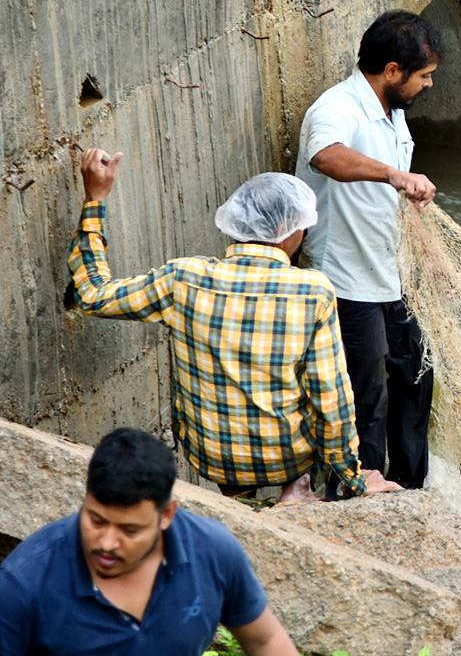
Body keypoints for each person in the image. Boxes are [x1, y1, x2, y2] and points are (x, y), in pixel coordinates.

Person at [67, 152, 398, 502]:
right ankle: (296, 487)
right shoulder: (312, 291)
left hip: (210, 456)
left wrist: (95, 199)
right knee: (301, 402)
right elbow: (330, 399)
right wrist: (354, 477)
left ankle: (237, 497)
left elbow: (92, 295)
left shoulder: (183, 279)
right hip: (284, 458)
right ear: (292, 230)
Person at [0, 427, 315, 656]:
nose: (107, 543)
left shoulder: (211, 552)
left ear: (166, 515)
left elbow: (265, 640)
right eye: (96, 520)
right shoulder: (24, 584)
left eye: (130, 530)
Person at [294, 10, 440, 490]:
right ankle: (358, 495)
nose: (429, 86)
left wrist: (434, 261)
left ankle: (409, 487)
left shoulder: (396, 118)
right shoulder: (336, 108)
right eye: (424, 76)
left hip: (387, 276)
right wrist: (395, 174)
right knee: (365, 395)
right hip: (344, 280)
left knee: (418, 371)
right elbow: (326, 156)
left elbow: (399, 206)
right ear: (392, 71)